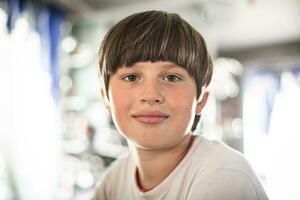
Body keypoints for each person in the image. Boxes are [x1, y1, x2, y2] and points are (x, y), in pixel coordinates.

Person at [96, 10, 268, 200]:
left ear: (201, 100)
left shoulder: (225, 174)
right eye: (131, 77)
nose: (151, 95)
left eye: (171, 77)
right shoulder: (114, 179)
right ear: (106, 99)